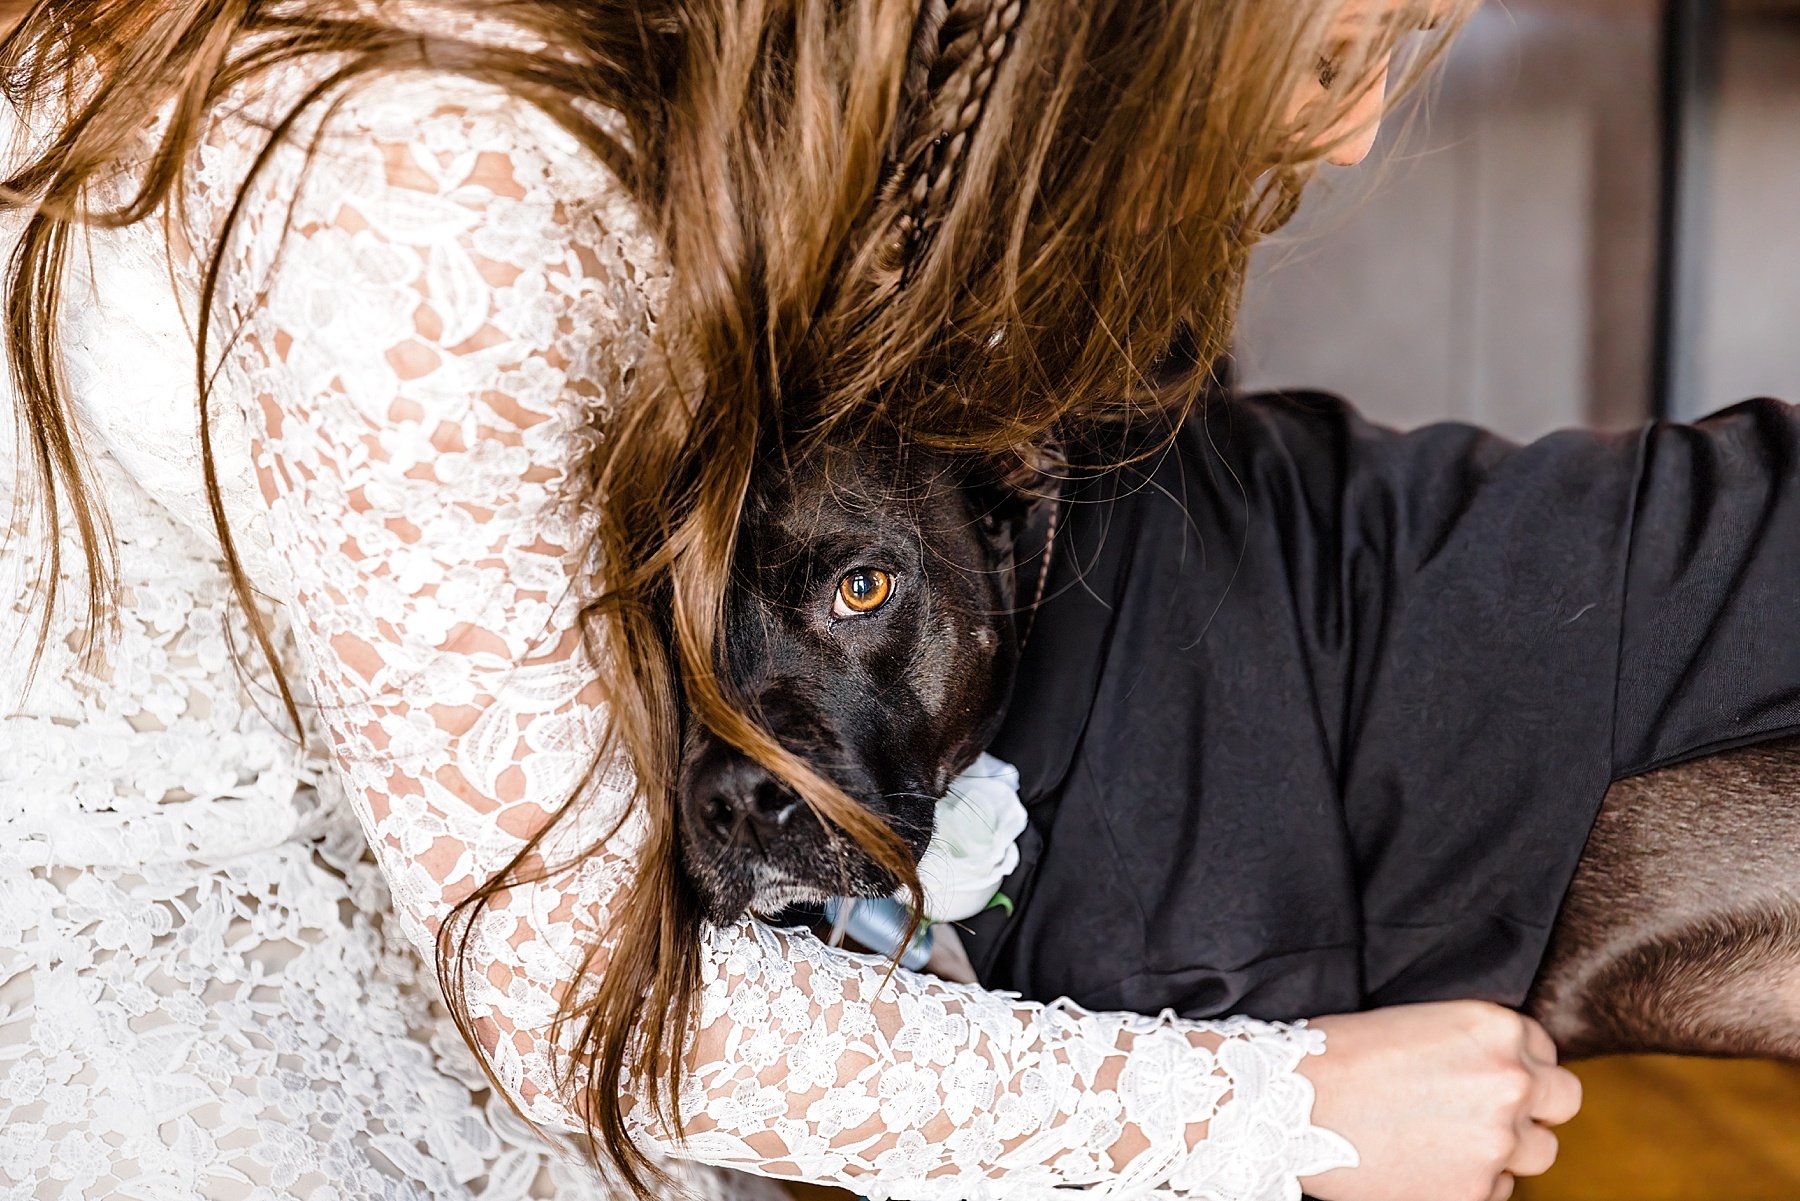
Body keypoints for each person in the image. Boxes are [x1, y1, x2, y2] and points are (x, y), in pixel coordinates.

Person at [0, 3, 1583, 1201]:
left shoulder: (758, 97)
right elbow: (572, 1006)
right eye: (1337, 50)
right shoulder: (441, 184)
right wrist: (1284, 1109)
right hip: (185, 976)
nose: (1364, 129)